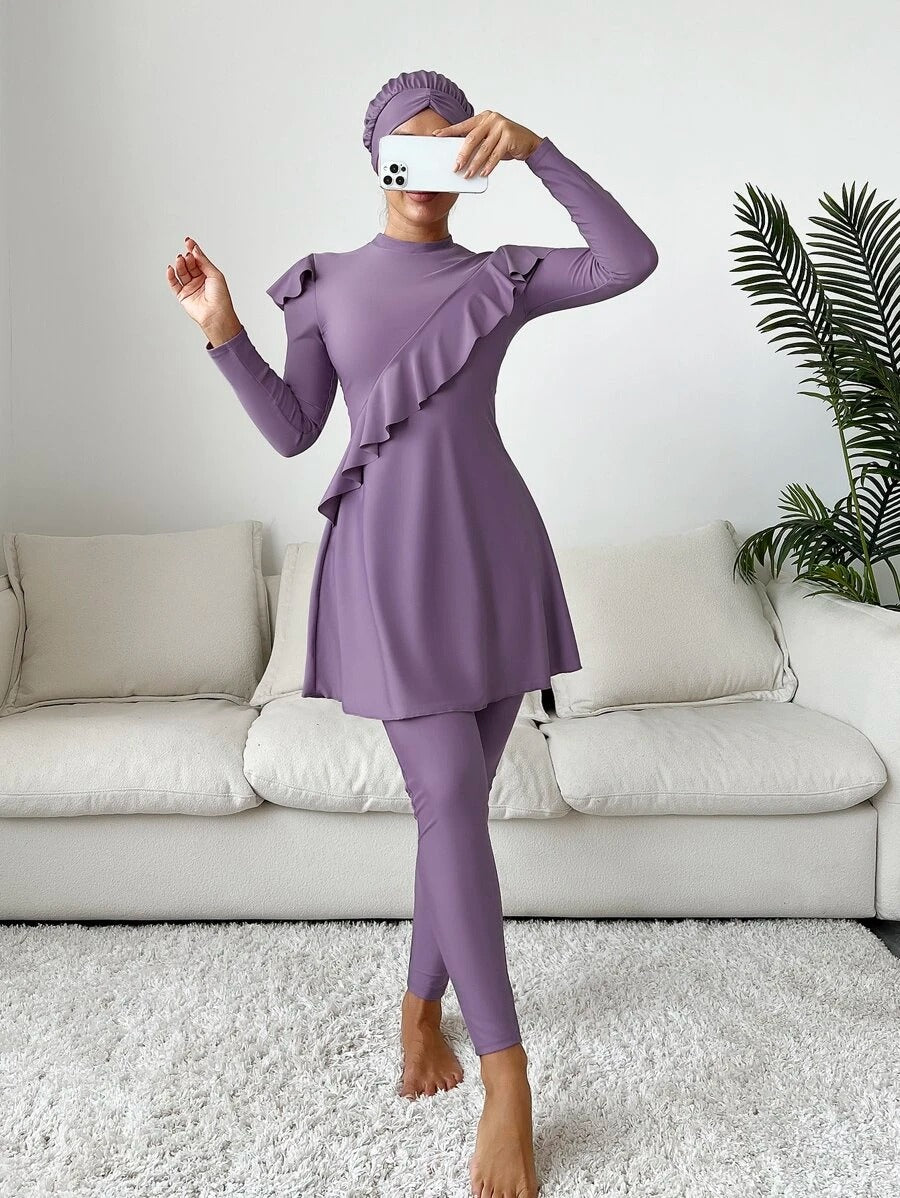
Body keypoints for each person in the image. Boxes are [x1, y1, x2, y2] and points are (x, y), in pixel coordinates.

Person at [167, 68, 658, 1198]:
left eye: (452, 145)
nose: (429, 167)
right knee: (448, 801)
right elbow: (294, 430)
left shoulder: (501, 277)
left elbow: (628, 260)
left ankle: (419, 1011)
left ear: (472, 156)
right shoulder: (326, 284)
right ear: (377, 157)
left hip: (495, 559)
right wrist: (223, 329)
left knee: (458, 810)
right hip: (388, 572)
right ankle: (508, 1081)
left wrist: (538, 149)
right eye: (408, 146)